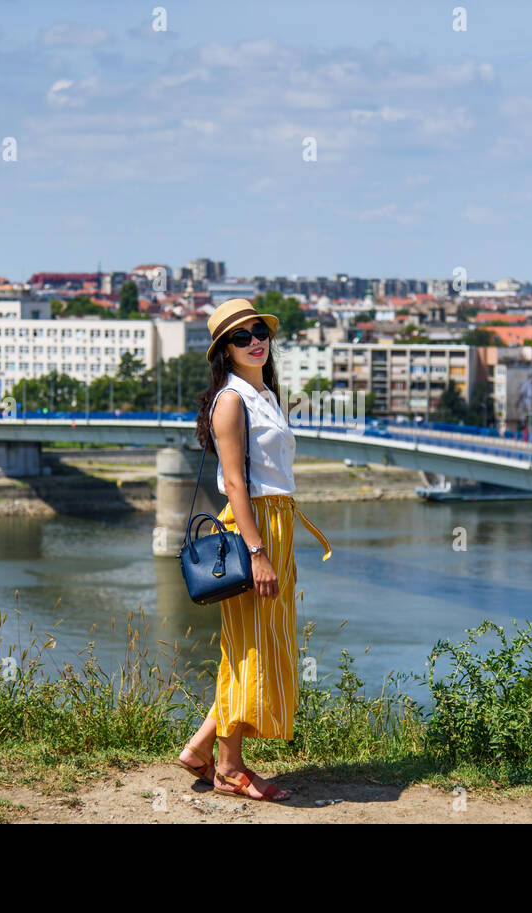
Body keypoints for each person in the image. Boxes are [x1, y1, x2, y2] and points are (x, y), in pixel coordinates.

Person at [175, 298, 333, 802]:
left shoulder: (264, 394)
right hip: (254, 530)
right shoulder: (232, 400)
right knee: (248, 647)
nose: (255, 340)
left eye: (259, 330)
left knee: (262, 643)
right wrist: (258, 551)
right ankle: (227, 768)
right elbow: (237, 486)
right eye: (241, 336)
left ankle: (201, 749)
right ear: (225, 349)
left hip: (276, 524)